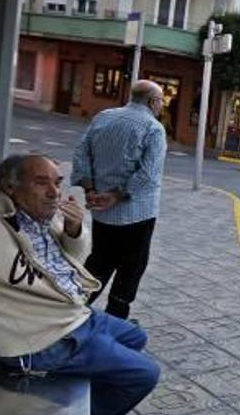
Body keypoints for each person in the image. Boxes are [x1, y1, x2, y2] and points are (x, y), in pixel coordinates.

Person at [0, 155, 160, 415]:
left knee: (136, 337)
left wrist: (74, 229)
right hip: (44, 341)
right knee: (145, 374)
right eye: (41, 183)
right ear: (10, 187)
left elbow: (74, 259)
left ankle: (94, 384)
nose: (54, 192)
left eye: (58, 182)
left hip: (73, 315)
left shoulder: (38, 214)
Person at [72, 80, 168, 320]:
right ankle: (116, 318)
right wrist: (116, 196)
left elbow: (81, 152)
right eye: (161, 102)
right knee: (131, 267)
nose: (162, 106)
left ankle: (73, 311)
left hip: (101, 211)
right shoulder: (153, 128)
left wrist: (90, 189)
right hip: (137, 213)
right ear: (152, 102)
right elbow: (148, 174)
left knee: (100, 261)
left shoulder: (104, 116)